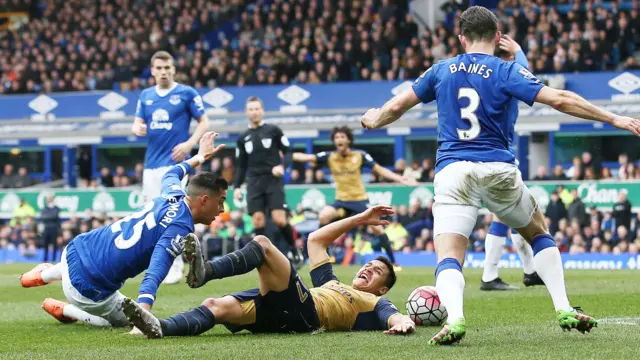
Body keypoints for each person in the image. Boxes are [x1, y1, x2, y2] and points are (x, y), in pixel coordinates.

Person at [360, 6, 640, 344]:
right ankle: (563, 306)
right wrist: (615, 119)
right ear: (497, 36)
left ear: (461, 38)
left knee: (449, 254)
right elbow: (561, 99)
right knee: (537, 231)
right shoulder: (507, 71)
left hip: (453, 171)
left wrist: (373, 119)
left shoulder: (441, 70)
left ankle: (456, 319)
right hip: (498, 168)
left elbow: (394, 107)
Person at [19, 132, 227, 329]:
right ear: (205, 200)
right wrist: (143, 316)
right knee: (120, 321)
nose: (222, 210)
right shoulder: (179, 226)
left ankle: (44, 274)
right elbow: (155, 272)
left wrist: (199, 156)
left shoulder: (173, 193)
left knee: (90, 259)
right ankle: (66, 310)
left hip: (76, 248)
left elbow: (172, 173)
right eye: (221, 202)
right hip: (87, 289)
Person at [122, 205, 415, 338]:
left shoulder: (375, 302)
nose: (367, 268)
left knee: (262, 244)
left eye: (376, 271)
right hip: (285, 312)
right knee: (215, 306)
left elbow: (393, 314)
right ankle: (160, 327)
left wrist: (403, 321)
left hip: (306, 315)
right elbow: (315, 240)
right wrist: (359, 219)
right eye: (368, 264)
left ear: (382, 288)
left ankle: (205, 272)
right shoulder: (331, 282)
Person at [131, 50, 210, 285]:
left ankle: (175, 267)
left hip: (176, 166)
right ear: (152, 70)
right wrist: (136, 128)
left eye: (168, 68)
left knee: (172, 215)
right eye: (159, 68)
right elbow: (137, 122)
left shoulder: (186, 93)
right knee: (151, 217)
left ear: (174, 69)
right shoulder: (146, 96)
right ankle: (155, 265)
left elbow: (205, 121)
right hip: (151, 166)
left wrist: (189, 144)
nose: (164, 72)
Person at [292, 126, 417, 270]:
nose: (339, 140)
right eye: (336, 137)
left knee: (377, 229)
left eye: (342, 137)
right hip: (341, 201)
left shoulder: (359, 156)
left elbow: (379, 169)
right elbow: (307, 157)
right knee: (323, 216)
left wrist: (400, 178)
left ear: (348, 140)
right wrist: (282, 153)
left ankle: (394, 262)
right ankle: (320, 255)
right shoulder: (330, 157)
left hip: (359, 200)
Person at [481, 34, 543, 291]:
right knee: (506, 215)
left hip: (488, 153)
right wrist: (519, 50)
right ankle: (489, 276)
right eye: (509, 60)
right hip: (498, 154)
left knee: (518, 214)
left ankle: (529, 271)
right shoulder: (504, 78)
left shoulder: (481, 80)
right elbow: (526, 75)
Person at [234, 96, 303, 268]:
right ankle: (262, 257)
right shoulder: (243, 138)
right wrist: (236, 186)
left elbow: (288, 152)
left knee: (279, 220)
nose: (254, 112)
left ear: (262, 110)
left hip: (273, 181)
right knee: (258, 220)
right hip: (254, 182)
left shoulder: (273, 130)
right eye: (251, 109)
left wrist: (282, 166)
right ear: (246, 112)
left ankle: (294, 250)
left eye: (257, 108)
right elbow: (241, 166)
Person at [40, 194, 61, 263]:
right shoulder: (44, 209)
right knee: (45, 244)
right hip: (46, 229)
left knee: (54, 244)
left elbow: (54, 216)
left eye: (50, 198)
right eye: (47, 198)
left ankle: (54, 259)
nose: (48, 200)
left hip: (54, 229)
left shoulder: (56, 208)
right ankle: (45, 259)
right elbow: (43, 217)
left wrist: (48, 216)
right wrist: (50, 216)